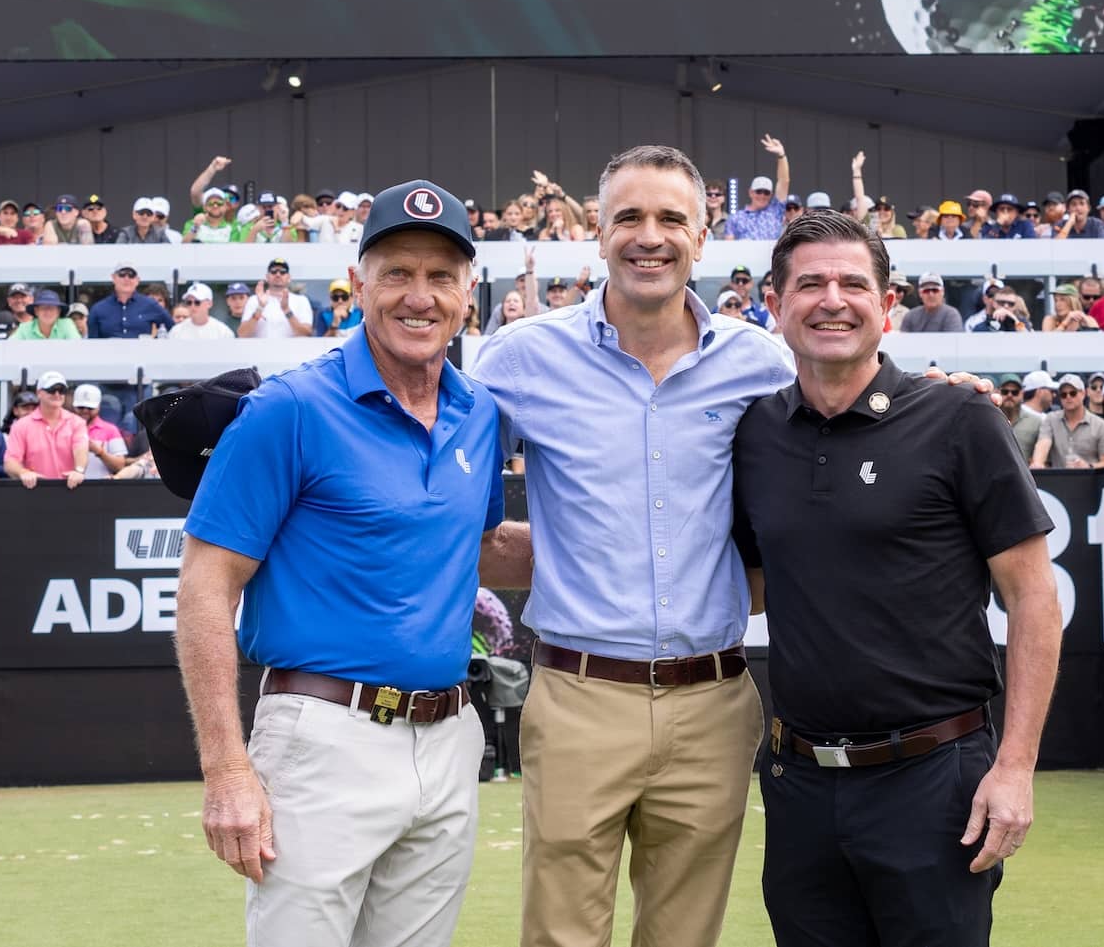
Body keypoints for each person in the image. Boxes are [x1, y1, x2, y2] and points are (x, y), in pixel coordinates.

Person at [470, 146, 796, 947]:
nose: (649, 236)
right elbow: (452, 509)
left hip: (715, 699)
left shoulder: (762, 364)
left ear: (702, 235)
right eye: (629, 218)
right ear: (599, 232)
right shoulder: (519, 358)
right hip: (579, 694)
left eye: (670, 219)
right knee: (559, 936)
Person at [179, 180, 513, 947]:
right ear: (358, 284)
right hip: (323, 736)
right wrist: (226, 767)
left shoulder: (480, 412)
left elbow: (479, 546)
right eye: (396, 272)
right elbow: (205, 584)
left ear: (469, 291)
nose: (418, 296)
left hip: (449, 736)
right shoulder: (290, 408)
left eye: (440, 276)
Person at [732, 210, 1059, 945]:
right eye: (809, 282)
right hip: (800, 782)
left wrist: (1016, 765)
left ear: (887, 307)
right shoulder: (754, 434)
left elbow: (1033, 598)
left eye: (853, 282)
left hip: (933, 780)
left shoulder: (961, 418)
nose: (832, 298)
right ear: (776, 305)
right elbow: (752, 583)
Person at [4, 371, 88, 490]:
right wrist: (23, 472)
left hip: (70, 490)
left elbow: (81, 449)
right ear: (39, 393)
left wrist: (78, 470)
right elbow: (10, 462)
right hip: (35, 492)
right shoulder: (21, 425)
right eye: (52, 390)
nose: (57, 394)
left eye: (62, 390)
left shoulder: (77, 422)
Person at [87, 263, 172, 340]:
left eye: (131, 275)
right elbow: (92, 343)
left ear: (137, 280)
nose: (126, 278)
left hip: (143, 356)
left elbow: (173, 330)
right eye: (122, 274)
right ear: (113, 278)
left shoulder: (151, 305)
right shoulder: (98, 309)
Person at [239, 258, 316, 339]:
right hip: (260, 351)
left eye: (283, 272)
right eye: (273, 271)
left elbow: (306, 333)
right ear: (267, 276)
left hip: (292, 351)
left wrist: (286, 310)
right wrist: (260, 307)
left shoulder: (301, 300)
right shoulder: (254, 300)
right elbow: (242, 334)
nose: (278, 274)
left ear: (289, 277)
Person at [897, 274, 963, 332]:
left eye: (935, 290)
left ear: (942, 292)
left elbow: (952, 342)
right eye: (926, 290)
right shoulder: (911, 316)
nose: (931, 294)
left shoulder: (951, 315)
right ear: (920, 293)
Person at [170, 282, 236, 340]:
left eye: (197, 302)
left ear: (209, 304)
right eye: (189, 302)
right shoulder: (176, 332)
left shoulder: (223, 332)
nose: (192, 306)